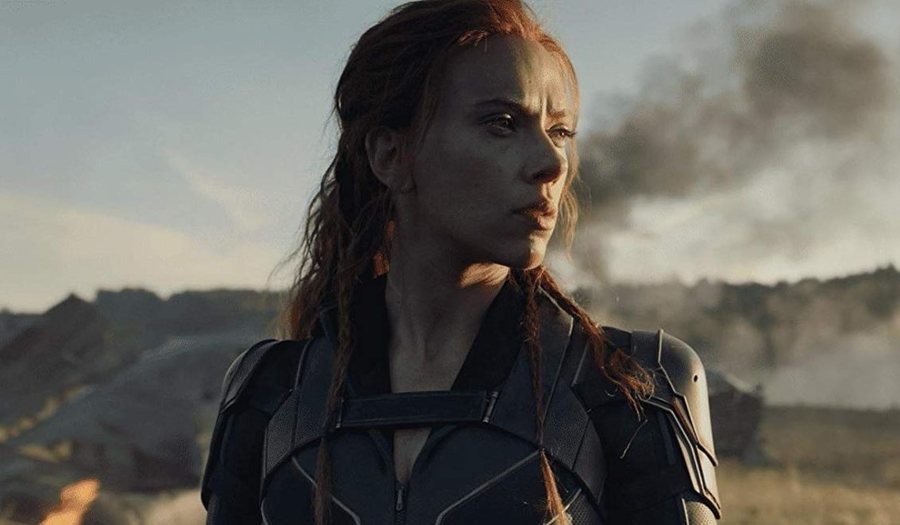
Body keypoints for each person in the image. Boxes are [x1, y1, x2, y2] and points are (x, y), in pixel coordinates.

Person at [199, 1, 721, 523]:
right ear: (391, 156)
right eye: (502, 123)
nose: (552, 162)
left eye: (560, 132)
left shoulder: (632, 386)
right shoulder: (270, 391)